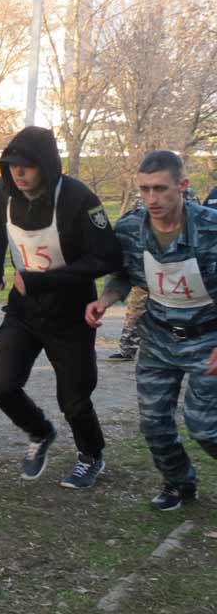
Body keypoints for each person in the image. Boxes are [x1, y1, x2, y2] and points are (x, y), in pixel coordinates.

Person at [0, 126, 122, 489]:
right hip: (24, 309)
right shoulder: (1, 192)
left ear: (46, 165)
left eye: (27, 166)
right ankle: (40, 431)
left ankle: (91, 455)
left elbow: (108, 256)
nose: (19, 174)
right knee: (0, 385)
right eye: (12, 166)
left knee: (74, 399)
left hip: (70, 313)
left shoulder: (77, 198)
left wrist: (46, 280)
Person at [87, 151, 217, 510]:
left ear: (182, 186)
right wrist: (107, 299)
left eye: (160, 189)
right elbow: (124, 274)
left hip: (208, 339)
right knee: (155, 425)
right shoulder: (131, 228)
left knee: (206, 428)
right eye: (144, 190)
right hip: (158, 338)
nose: (152, 199)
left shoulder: (211, 228)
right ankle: (178, 483)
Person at [109, 188, 200, 361]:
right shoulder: (137, 211)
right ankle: (127, 349)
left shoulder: (188, 198)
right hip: (145, 271)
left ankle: (184, 349)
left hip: (179, 271)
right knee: (135, 312)